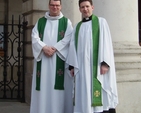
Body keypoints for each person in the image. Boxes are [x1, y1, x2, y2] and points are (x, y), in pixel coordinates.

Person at [66, 0, 118, 113]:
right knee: (84, 93)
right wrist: (71, 66)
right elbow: (72, 47)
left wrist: (105, 63)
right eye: (82, 7)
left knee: (100, 92)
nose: (85, 9)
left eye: (87, 6)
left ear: (92, 7)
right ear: (79, 9)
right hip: (82, 68)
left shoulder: (101, 22)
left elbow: (106, 43)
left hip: (97, 68)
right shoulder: (77, 27)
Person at [30, 0, 73, 113]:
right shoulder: (40, 22)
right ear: (49, 6)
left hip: (58, 59)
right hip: (43, 60)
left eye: (57, 5)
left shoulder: (66, 22)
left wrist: (54, 48)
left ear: (61, 6)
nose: (55, 7)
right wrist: (44, 48)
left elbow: (69, 38)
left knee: (57, 91)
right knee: (43, 89)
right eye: (52, 5)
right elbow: (34, 38)